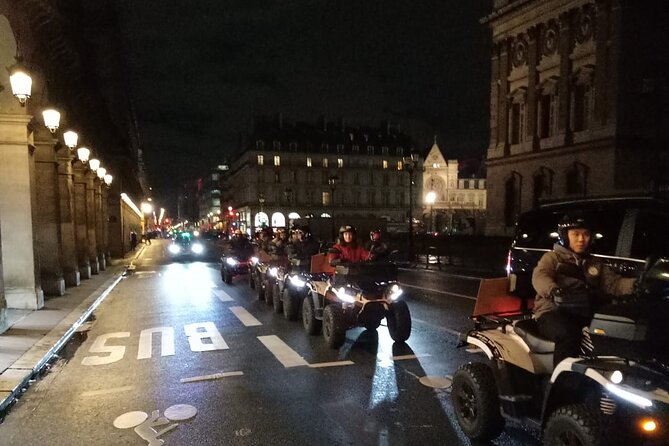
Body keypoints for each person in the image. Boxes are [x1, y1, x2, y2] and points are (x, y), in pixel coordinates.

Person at [532, 213, 635, 367]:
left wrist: (637, 285)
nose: (581, 239)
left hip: (583, 309)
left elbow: (614, 283)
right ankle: (561, 383)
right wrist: (554, 290)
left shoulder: (593, 262)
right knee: (569, 335)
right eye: (576, 234)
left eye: (586, 234)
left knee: (613, 328)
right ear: (565, 236)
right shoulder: (553, 258)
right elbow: (540, 276)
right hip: (552, 311)